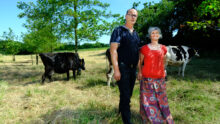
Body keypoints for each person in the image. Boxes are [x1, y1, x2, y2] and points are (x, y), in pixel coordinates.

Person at [137, 27, 174, 124]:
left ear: (159, 35)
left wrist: (164, 69)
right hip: (147, 77)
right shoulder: (144, 48)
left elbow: (164, 60)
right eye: (152, 33)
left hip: (160, 77)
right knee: (147, 100)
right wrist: (140, 72)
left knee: (161, 99)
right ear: (149, 36)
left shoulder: (163, 48)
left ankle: (162, 116)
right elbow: (140, 62)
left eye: (157, 33)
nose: (155, 35)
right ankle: (148, 117)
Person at [110, 8, 140, 124]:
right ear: (126, 16)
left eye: (135, 16)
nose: (133, 17)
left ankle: (120, 110)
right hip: (123, 67)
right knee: (126, 95)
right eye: (131, 15)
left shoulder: (136, 34)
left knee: (128, 93)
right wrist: (116, 70)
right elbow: (113, 51)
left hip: (133, 69)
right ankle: (127, 121)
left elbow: (137, 52)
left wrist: (139, 70)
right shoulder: (118, 31)